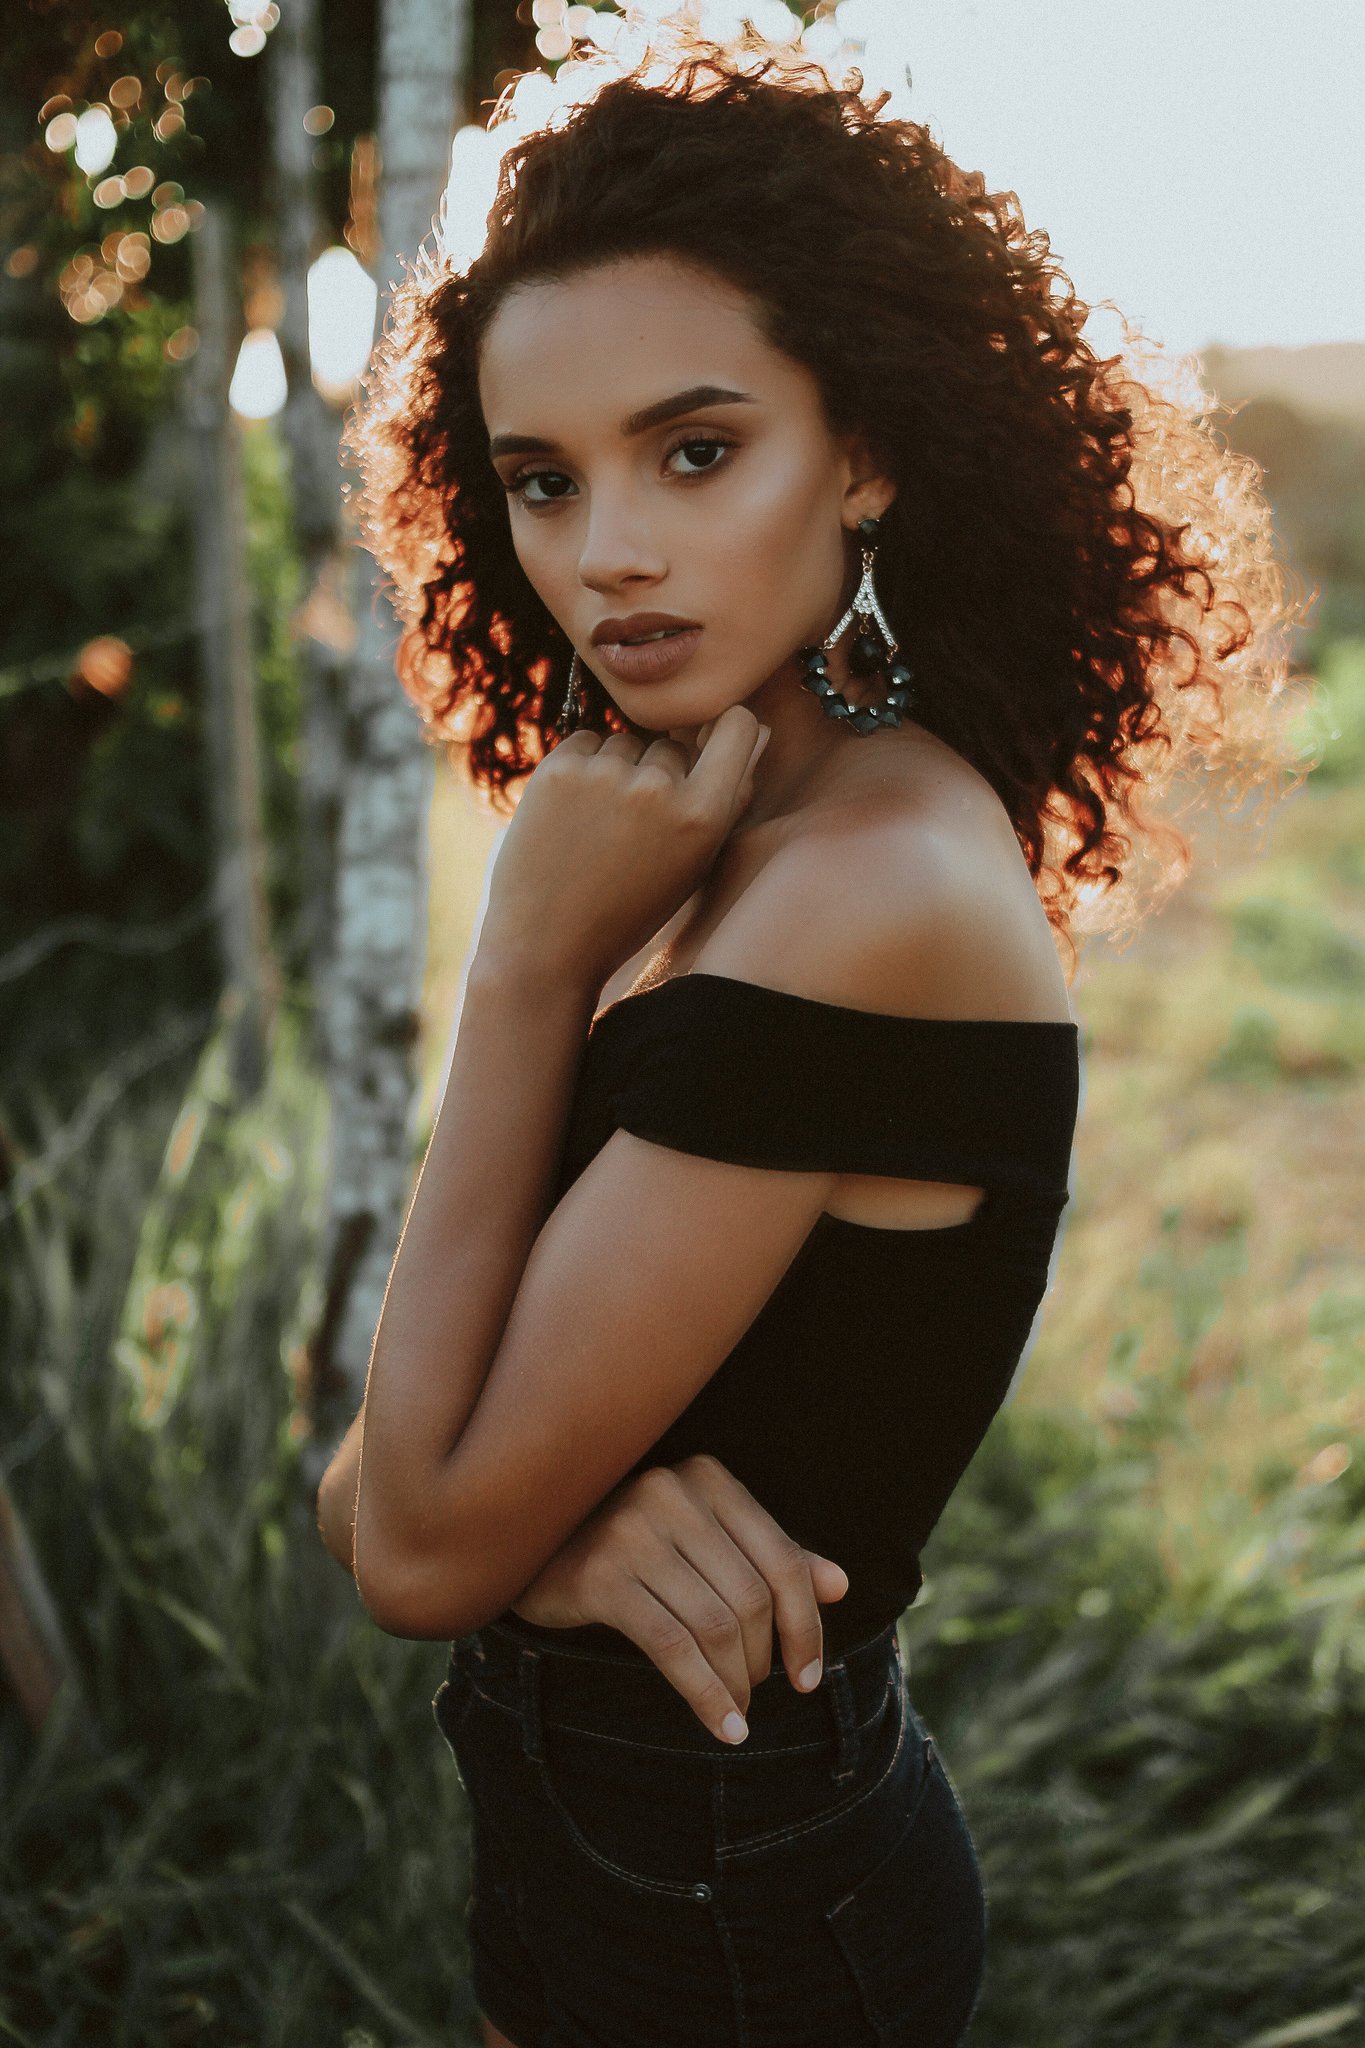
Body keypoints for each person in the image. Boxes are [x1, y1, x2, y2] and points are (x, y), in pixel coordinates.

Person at [316, 24, 1303, 2046]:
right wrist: (553, 1527)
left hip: (736, 1907)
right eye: (540, 479)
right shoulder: (733, 829)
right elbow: (391, 1486)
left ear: (858, 450)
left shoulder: (869, 896)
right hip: (613, 1848)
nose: (608, 553)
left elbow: (406, 1531)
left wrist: (518, 970)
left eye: (695, 451)